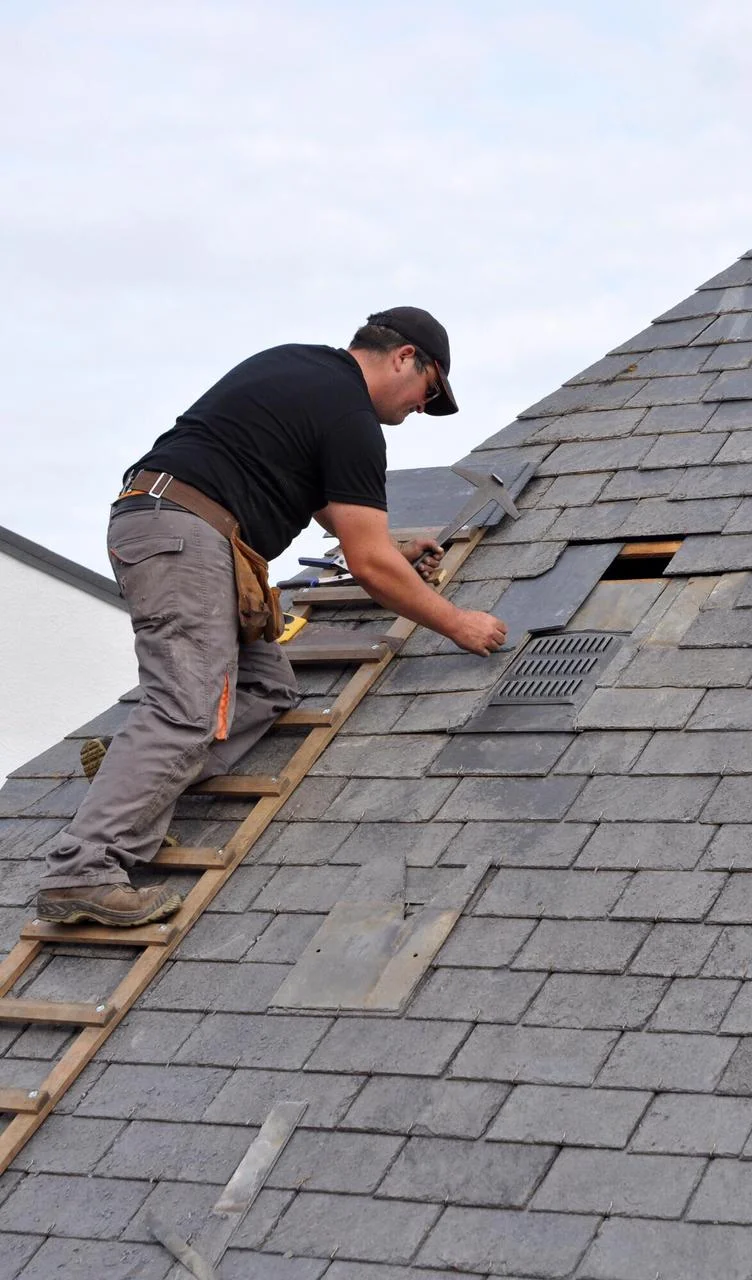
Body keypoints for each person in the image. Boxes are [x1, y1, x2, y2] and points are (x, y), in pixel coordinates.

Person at [37, 307, 507, 926]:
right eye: (431, 389)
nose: (424, 405)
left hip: (172, 525)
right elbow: (366, 564)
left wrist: (395, 543)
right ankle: (83, 870)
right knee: (188, 707)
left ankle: (130, 781)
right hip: (188, 536)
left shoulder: (299, 368)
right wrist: (457, 623)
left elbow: (336, 514)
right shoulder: (353, 419)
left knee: (265, 687)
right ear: (404, 358)